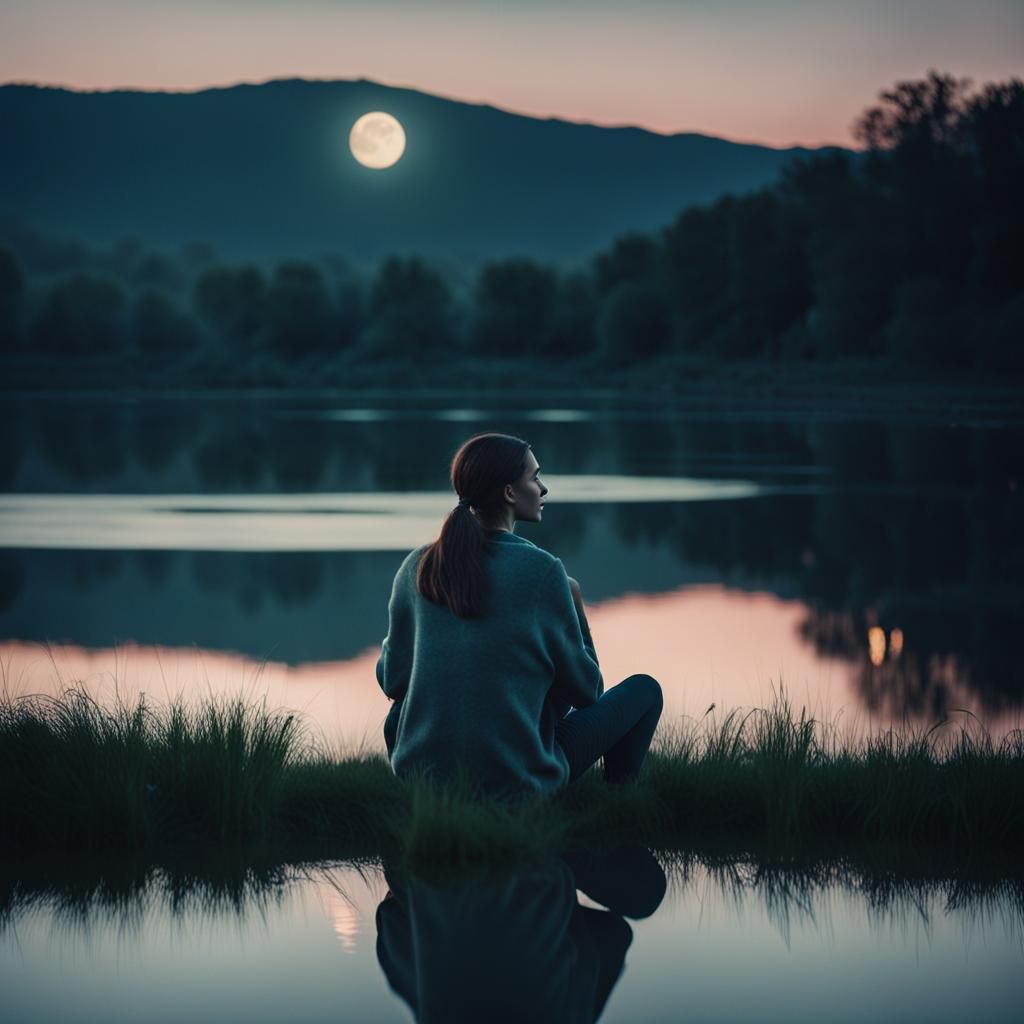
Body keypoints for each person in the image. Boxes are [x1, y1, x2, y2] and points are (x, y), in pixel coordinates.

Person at [375, 431, 663, 800]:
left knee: (413, 704)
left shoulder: (416, 566)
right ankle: (619, 803)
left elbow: (392, 681)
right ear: (510, 493)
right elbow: (588, 690)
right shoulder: (543, 571)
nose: (543, 489)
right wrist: (574, 602)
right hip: (517, 782)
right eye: (535, 477)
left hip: (421, 780)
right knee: (644, 690)